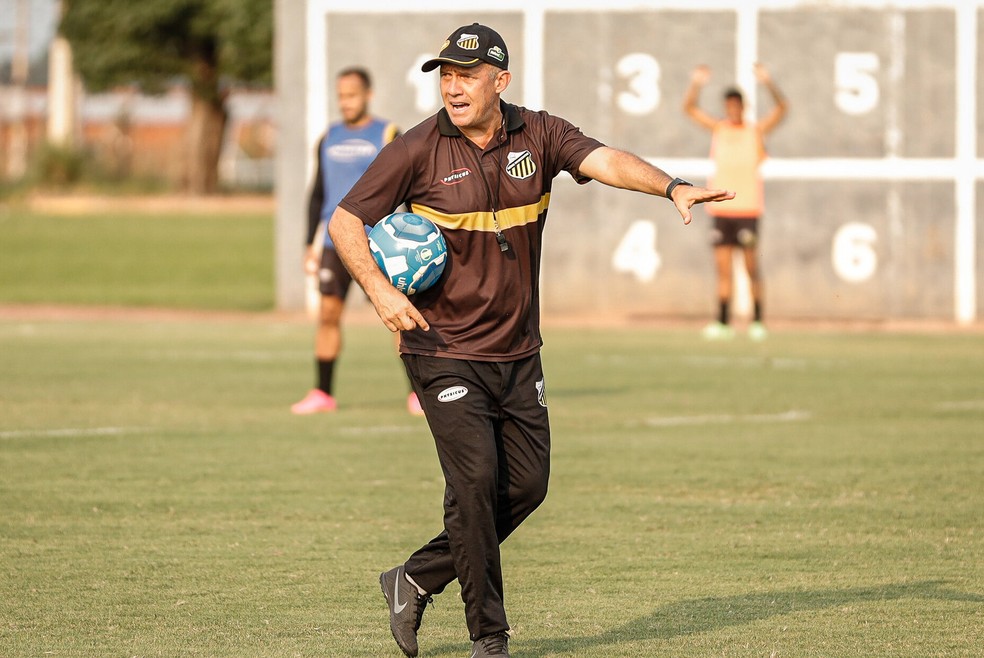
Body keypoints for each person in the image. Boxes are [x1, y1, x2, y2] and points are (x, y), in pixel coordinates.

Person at [328, 24, 734, 658]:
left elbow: (607, 161)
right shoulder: (415, 149)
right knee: (474, 482)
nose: (452, 86)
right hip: (443, 349)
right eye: (445, 74)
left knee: (525, 486)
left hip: (519, 352)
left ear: (500, 81)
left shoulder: (539, 134)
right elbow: (345, 219)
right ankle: (489, 637)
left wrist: (673, 187)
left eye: (466, 74)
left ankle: (415, 577)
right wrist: (380, 292)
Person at [290, 67, 424, 416]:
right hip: (335, 246)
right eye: (341, 96)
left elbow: (411, 186)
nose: (346, 102)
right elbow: (317, 192)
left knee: (397, 316)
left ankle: (418, 394)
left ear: (368, 95)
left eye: (352, 95)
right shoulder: (328, 138)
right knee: (328, 315)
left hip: (380, 246)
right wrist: (310, 244)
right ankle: (323, 393)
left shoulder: (388, 134)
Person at [683, 63, 788, 341]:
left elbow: (781, 109)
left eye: (736, 106)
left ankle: (757, 320)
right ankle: (722, 321)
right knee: (723, 270)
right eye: (728, 106)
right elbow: (690, 109)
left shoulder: (755, 131)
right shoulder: (719, 129)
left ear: (743, 107)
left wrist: (768, 81)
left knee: (752, 268)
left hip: (748, 210)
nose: (732, 110)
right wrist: (696, 83)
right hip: (721, 210)